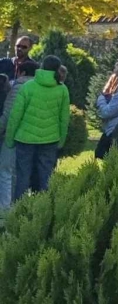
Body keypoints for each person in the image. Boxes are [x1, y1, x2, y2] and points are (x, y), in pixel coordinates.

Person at [5, 55, 70, 201]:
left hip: (25, 138)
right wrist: (61, 141)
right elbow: (64, 119)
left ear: (41, 67)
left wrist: (10, 139)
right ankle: (42, 208)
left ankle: (19, 208)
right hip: (50, 139)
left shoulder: (28, 86)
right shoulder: (62, 90)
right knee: (45, 177)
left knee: (22, 176)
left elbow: (16, 115)